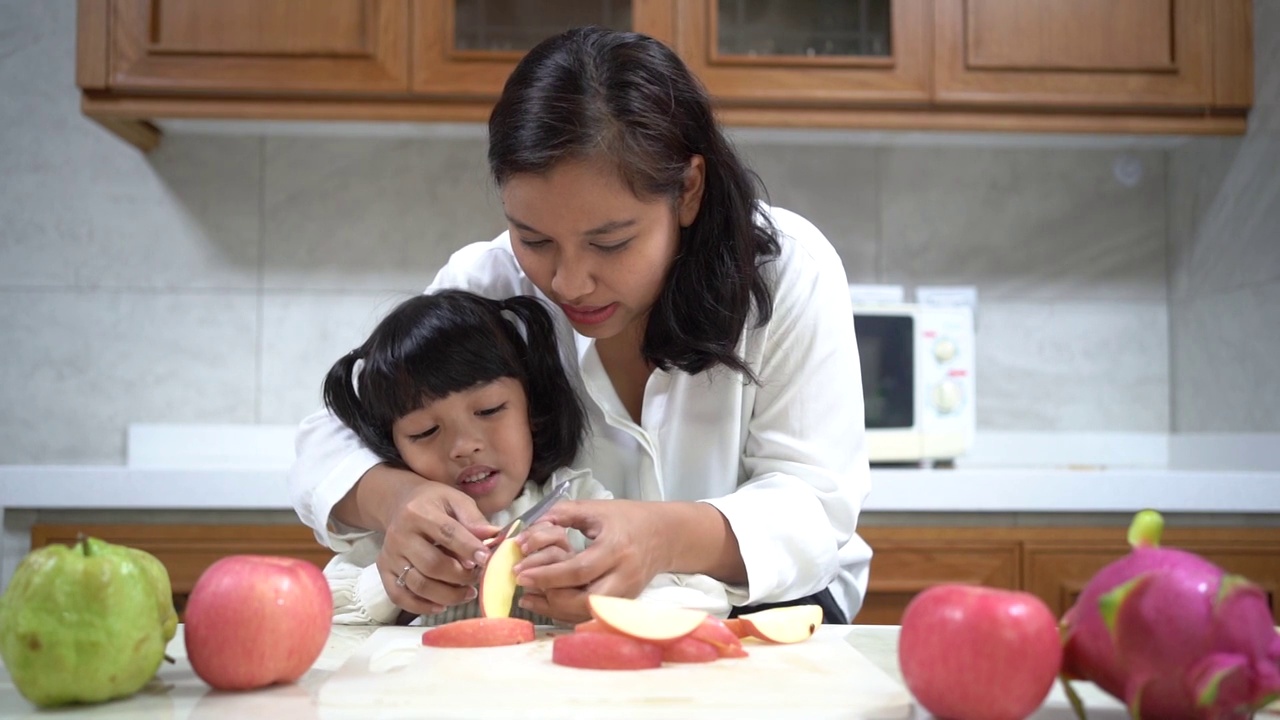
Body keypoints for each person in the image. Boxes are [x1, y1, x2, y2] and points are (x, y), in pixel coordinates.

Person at [289, 26, 872, 625]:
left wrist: (659, 539)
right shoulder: (492, 281)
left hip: (768, 609)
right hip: (558, 628)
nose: (568, 282)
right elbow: (330, 436)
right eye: (535, 238)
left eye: (610, 242)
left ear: (688, 191)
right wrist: (396, 498)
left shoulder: (785, 270)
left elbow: (814, 506)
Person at [319, 290, 730, 625]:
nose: (464, 446)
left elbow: (706, 605)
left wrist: (592, 595)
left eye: (489, 411)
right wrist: (394, 584)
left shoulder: (574, 508)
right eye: (425, 432)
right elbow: (322, 614)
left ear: (531, 409)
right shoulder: (404, 530)